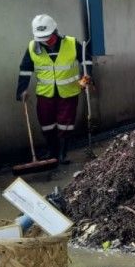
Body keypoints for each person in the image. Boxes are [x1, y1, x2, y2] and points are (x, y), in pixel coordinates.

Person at [16, 14, 92, 165]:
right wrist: (22, 90)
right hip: (45, 94)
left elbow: (86, 60)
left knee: (65, 124)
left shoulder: (71, 43)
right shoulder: (32, 47)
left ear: (55, 31)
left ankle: (63, 154)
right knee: (47, 123)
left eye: (48, 36)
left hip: (68, 92)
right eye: (41, 38)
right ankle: (52, 152)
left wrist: (87, 77)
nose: (45, 40)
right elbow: (25, 69)